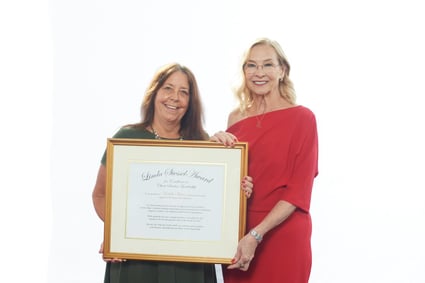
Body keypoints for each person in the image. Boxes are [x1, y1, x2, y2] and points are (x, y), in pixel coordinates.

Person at [91, 63, 253, 283]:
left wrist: (237, 182)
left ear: (190, 102)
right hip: (136, 262)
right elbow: (100, 195)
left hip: (189, 266)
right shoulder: (127, 138)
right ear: (154, 93)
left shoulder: (203, 143)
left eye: (183, 92)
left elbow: (217, 205)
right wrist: (116, 235)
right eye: (168, 88)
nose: (174, 97)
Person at [211, 38, 319, 282]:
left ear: (282, 71)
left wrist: (255, 236)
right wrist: (212, 146)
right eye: (251, 66)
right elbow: (227, 183)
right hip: (238, 234)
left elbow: (298, 192)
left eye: (267, 65)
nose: (259, 73)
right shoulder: (235, 119)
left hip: (283, 234)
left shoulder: (303, 118)